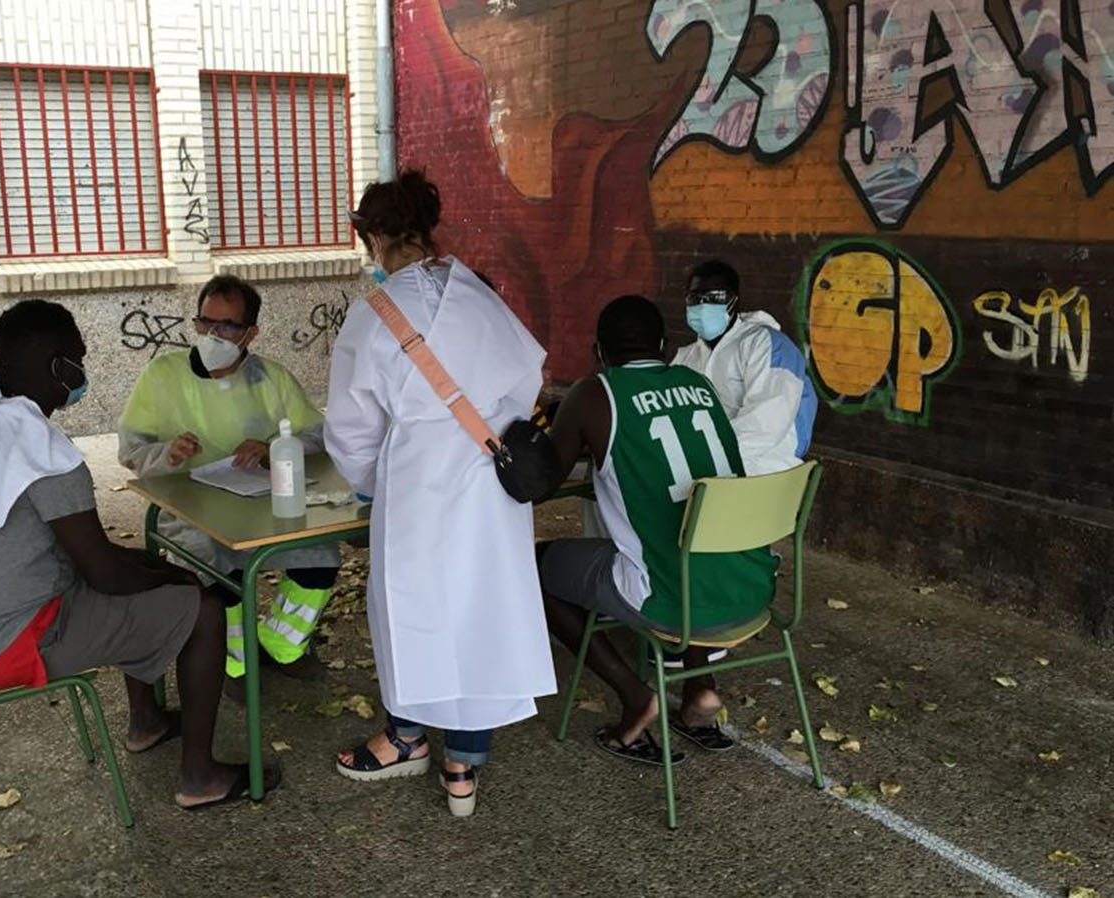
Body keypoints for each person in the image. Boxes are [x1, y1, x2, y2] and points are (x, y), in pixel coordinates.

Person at [0, 299, 277, 808]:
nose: (82, 373)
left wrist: (158, 569)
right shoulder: (46, 457)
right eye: (78, 360)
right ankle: (200, 777)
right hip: (5, 646)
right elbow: (106, 575)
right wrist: (181, 583)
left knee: (148, 575)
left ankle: (147, 721)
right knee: (202, 611)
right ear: (57, 368)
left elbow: (94, 557)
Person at [325, 170, 555, 817]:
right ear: (424, 228)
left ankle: (405, 739)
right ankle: (463, 761)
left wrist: (374, 485)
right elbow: (524, 379)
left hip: (419, 485)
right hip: (490, 482)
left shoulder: (374, 315)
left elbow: (349, 430)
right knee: (483, 607)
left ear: (373, 235)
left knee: (414, 612)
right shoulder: (478, 294)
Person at [538, 295, 779, 764]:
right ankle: (701, 689)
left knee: (533, 567)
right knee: (689, 547)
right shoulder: (697, 384)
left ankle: (634, 695)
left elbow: (542, 483)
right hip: (750, 589)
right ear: (666, 346)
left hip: (666, 598)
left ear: (598, 352)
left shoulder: (595, 392)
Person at [118, 275, 339, 695]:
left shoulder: (272, 378)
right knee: (215, 562)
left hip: (262, 505)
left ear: (251, 333)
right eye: (205, 323)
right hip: (190, 509)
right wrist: (169, 454)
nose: (213, 334)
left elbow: (317, 435)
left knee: (321, 553)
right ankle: (232, 661)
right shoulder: (162, 375)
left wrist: (275, 445)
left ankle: (281, 645)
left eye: (228, 327)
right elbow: (131, 449)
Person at [671, 260, 817, 476]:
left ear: (733, 300)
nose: (703, 305)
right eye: (695, 298)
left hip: (767, 470)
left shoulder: (767, 344)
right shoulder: (686, 358)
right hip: (704, 470)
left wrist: (704, 458)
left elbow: (766, 425)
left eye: (715, 298)